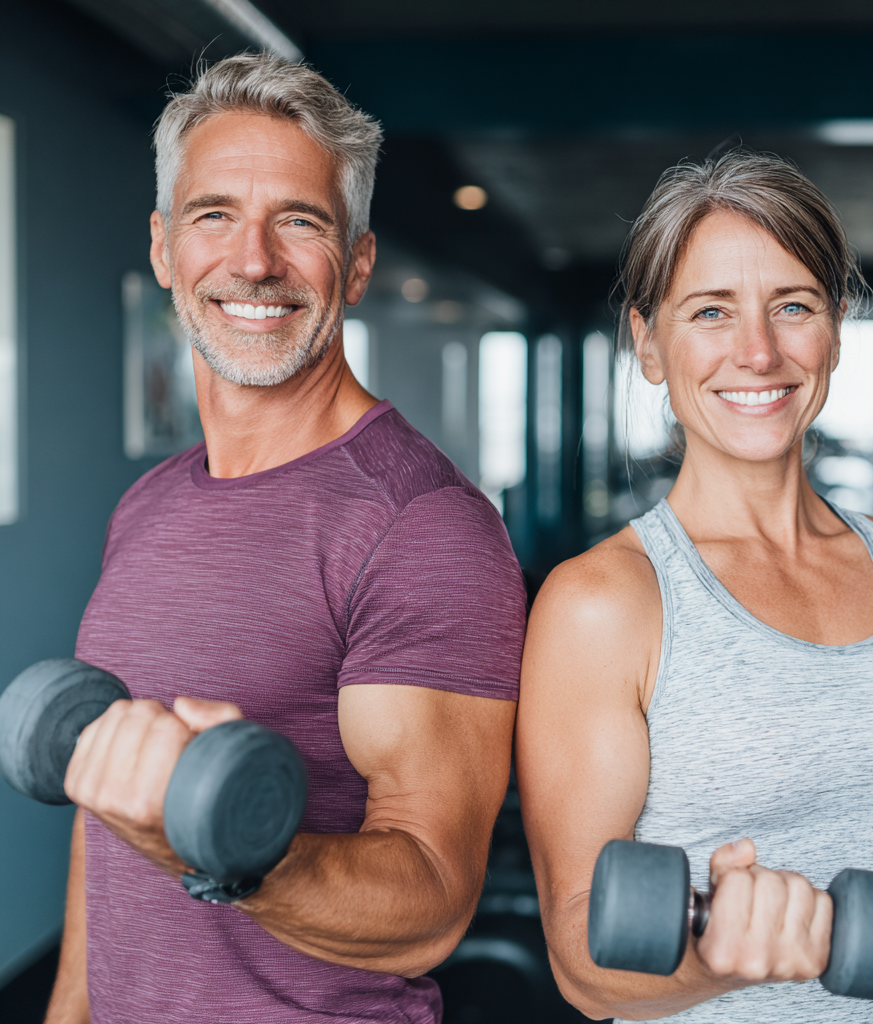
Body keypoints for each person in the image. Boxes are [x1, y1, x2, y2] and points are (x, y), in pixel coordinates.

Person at [45, 53, 526, 1024]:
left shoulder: (423, 525)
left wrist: (205, 845)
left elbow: (429, 903)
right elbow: (108, 825)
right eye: (214, 213)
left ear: (355, 262)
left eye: (299, 221)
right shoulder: (147, 506)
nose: (253, 259)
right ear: (163, 247)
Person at [516, 150, 873, 1023]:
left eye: (793, 306)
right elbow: (581, 959)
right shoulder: (605, 605)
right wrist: (724, 964)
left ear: (836, 331)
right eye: (711, 312)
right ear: (649, 345)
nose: (758, 351)